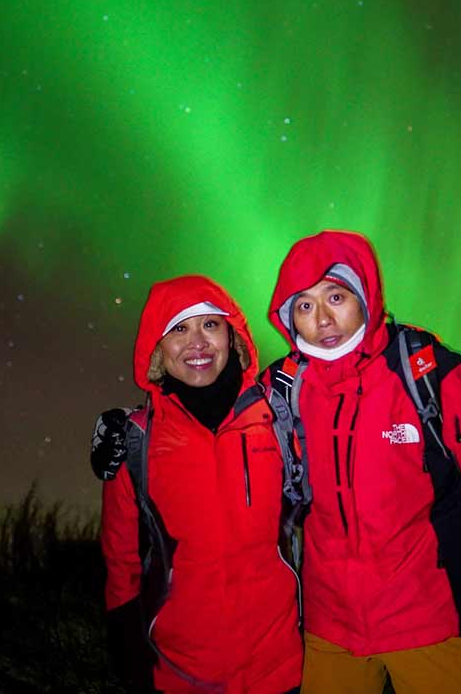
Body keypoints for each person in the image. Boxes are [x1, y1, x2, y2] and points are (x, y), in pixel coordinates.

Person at [266, 230, 461, 694]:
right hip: (330, 628)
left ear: (365, 294)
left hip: (430, 622)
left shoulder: (429, 373)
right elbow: (213, 431)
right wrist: (130, 432)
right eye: (305, 306)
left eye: (335, 296)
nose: (323, 319)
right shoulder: (284, 388)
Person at [99, 274, 303, 694]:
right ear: (157, 348)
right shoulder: (134, 442)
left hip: (283, 668)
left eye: (210, 325)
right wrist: (128, 650)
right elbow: (121, 560)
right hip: (181, 674)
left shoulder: (276, 420)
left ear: (233, 337)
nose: (198, 343)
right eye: (179, 329)